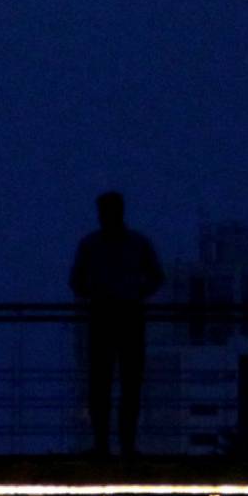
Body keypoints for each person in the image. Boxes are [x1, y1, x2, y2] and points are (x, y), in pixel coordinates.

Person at [69, 191, 164, 457]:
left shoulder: (92, 245)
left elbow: (76, 281)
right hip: (127, 316)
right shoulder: (135, 244)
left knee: (106, 384)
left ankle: (106, 443)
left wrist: (99, 293)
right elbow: (157, 277)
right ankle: (124, 444)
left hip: (106, 316)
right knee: (125, 384)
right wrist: (134, 293)